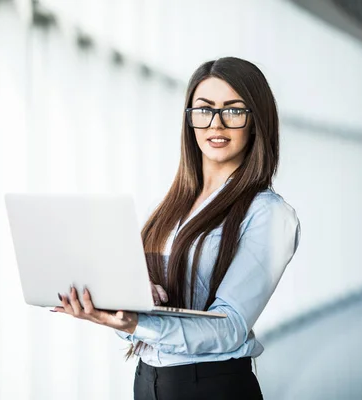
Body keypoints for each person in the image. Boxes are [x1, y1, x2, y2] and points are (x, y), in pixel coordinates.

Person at [52, 56, 301, 399]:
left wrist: (139, 323)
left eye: (233, 110)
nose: (217, 124)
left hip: (212, 386)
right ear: (189, 121)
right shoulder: (169, 209)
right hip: (149, 381)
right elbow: (152, 311)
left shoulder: (268, 215)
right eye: (204, 110)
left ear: (256, 121)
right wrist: (124, 304)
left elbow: (229, 328)